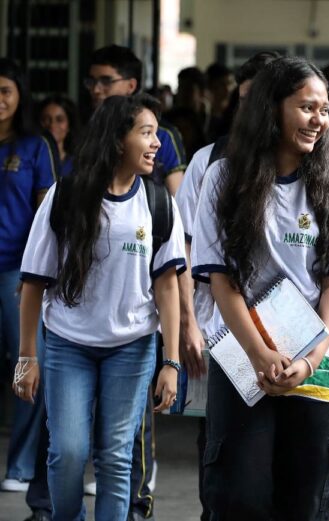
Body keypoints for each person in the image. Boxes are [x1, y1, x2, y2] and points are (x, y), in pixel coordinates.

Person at [191, 56, 329, 520]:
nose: (319, 120)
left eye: (325, 109)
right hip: (244, 357)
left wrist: (309, 358)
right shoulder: (223, 179)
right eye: (307, 107)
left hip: (319, 361)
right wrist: (258, 354)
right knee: (238, 494)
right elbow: (222, 280)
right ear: (272, 108)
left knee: (306, 501)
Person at [13, 93, 186, 521]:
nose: (156, 145)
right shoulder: (67, 196)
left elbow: (167, 288)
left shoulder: (158, 202)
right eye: (145, 133)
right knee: (68, 451)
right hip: (68, 344)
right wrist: (27, 356)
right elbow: (34, 282)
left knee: (115, 456)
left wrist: (172, 361)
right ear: (116, 139)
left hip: (132, 348)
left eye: (156, 134)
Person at [175, 49, 280, 521]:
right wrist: (189, 322)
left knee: (279, 441)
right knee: (218, 442)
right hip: (218, 325)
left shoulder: (313, 161)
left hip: (290, 328)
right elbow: (186, 246)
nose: (249, 112)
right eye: (243, 101)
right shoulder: (210, 161)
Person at [0, 58, 57, 494]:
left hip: (16, 272)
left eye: (5, 90)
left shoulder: (35, 146)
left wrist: (36, 273)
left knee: (26, 366)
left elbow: (45, 214)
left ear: (19, 97)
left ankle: (19, 467)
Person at [85, 44, 186, 194]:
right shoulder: (86, 128)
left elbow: (177, 196)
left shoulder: (163, 135)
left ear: (131, 85)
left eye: (106, 81)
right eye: (91, 81)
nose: (96, 89)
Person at [37, 94, 80, 176]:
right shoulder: (31, 161)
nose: (52, 125)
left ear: (69, 125)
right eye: (46, 119)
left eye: (59, 120)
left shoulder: (78, 164)